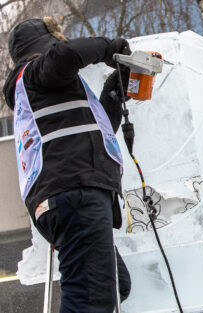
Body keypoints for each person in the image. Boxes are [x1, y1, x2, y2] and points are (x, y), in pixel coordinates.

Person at [2, 17, 132, 312]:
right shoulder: (36, 73)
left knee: (115, 284)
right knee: (91, 299)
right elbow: (66, 55)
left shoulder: (40, 89)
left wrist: (113, 94)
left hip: (65, 196)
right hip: (75, 191)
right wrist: (110, 48)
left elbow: (95, 135)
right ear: (47, 42)